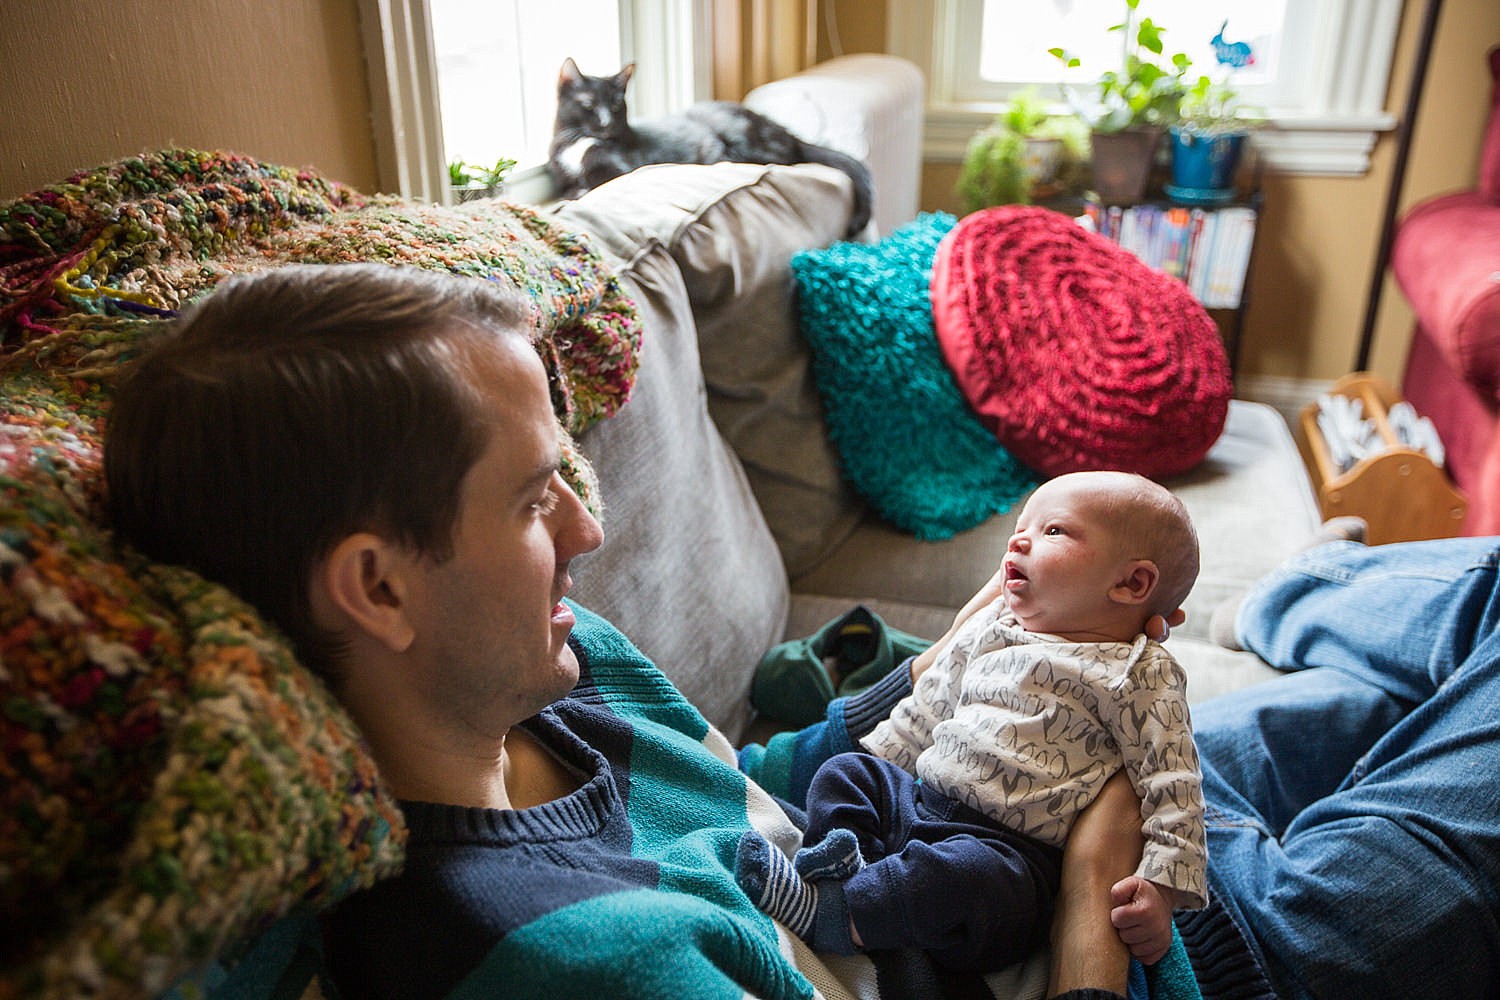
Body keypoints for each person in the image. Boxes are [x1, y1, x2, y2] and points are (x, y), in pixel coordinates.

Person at [102, 263, 1158, 1000]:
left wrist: (934, 676)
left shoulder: (565, 658)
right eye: (530, 500)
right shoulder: (564, 959)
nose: (588, 524)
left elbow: (744, 792)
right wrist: (1086, 926)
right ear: (377, 589)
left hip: (993, 839)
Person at [734, 471, 1206, 974]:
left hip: (1008, 855)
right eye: (1021, 525)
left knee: (965, 879)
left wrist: (1159, 889)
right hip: (919, 803)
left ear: (1132, 582)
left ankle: (837, 914)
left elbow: (1173, 783)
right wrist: (879, 762)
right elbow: (928, 707)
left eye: (1053, 531)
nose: (1019, 539)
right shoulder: (992, 625)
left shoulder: (1138, 670)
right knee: (848, 771)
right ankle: (846, 866)